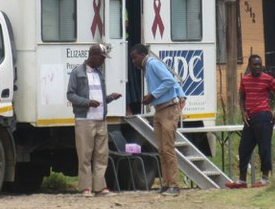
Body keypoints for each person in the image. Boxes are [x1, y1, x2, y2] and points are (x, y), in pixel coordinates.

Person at [129, 43, 186, 196]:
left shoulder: (153, 64)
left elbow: (170, 81)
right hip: (159, 110)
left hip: (168, 109)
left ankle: (174, 185)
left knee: (168, 149)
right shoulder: (147, 68)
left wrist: (152, 95)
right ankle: (166, 184)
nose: (133, 62)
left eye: (134, 58)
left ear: (142, 55)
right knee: (161, 150)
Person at [66, 44, 121, 197]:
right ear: (93, 55)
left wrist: (109, 98)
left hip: (101, 119)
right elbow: (70, 95)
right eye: (102, 58)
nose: (103, 61)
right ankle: (85, 187)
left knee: (101, 155)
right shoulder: (77, 73)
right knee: (85, 155)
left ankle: (100, 187)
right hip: (85, 119)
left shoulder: (99, 73)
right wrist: (87, 102)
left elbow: (99, 98)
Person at [226, 54, 275, 188]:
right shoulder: (245, 80)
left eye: (259, 64)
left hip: (263, 116)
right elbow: (241, 97)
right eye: (255, 64)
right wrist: (243, 112)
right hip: (250, 118)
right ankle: (242, 180)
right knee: (243, 148)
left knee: (264, 147)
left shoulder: (268, 79)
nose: (258, 67)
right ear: (249, 66)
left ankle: (264, 179)